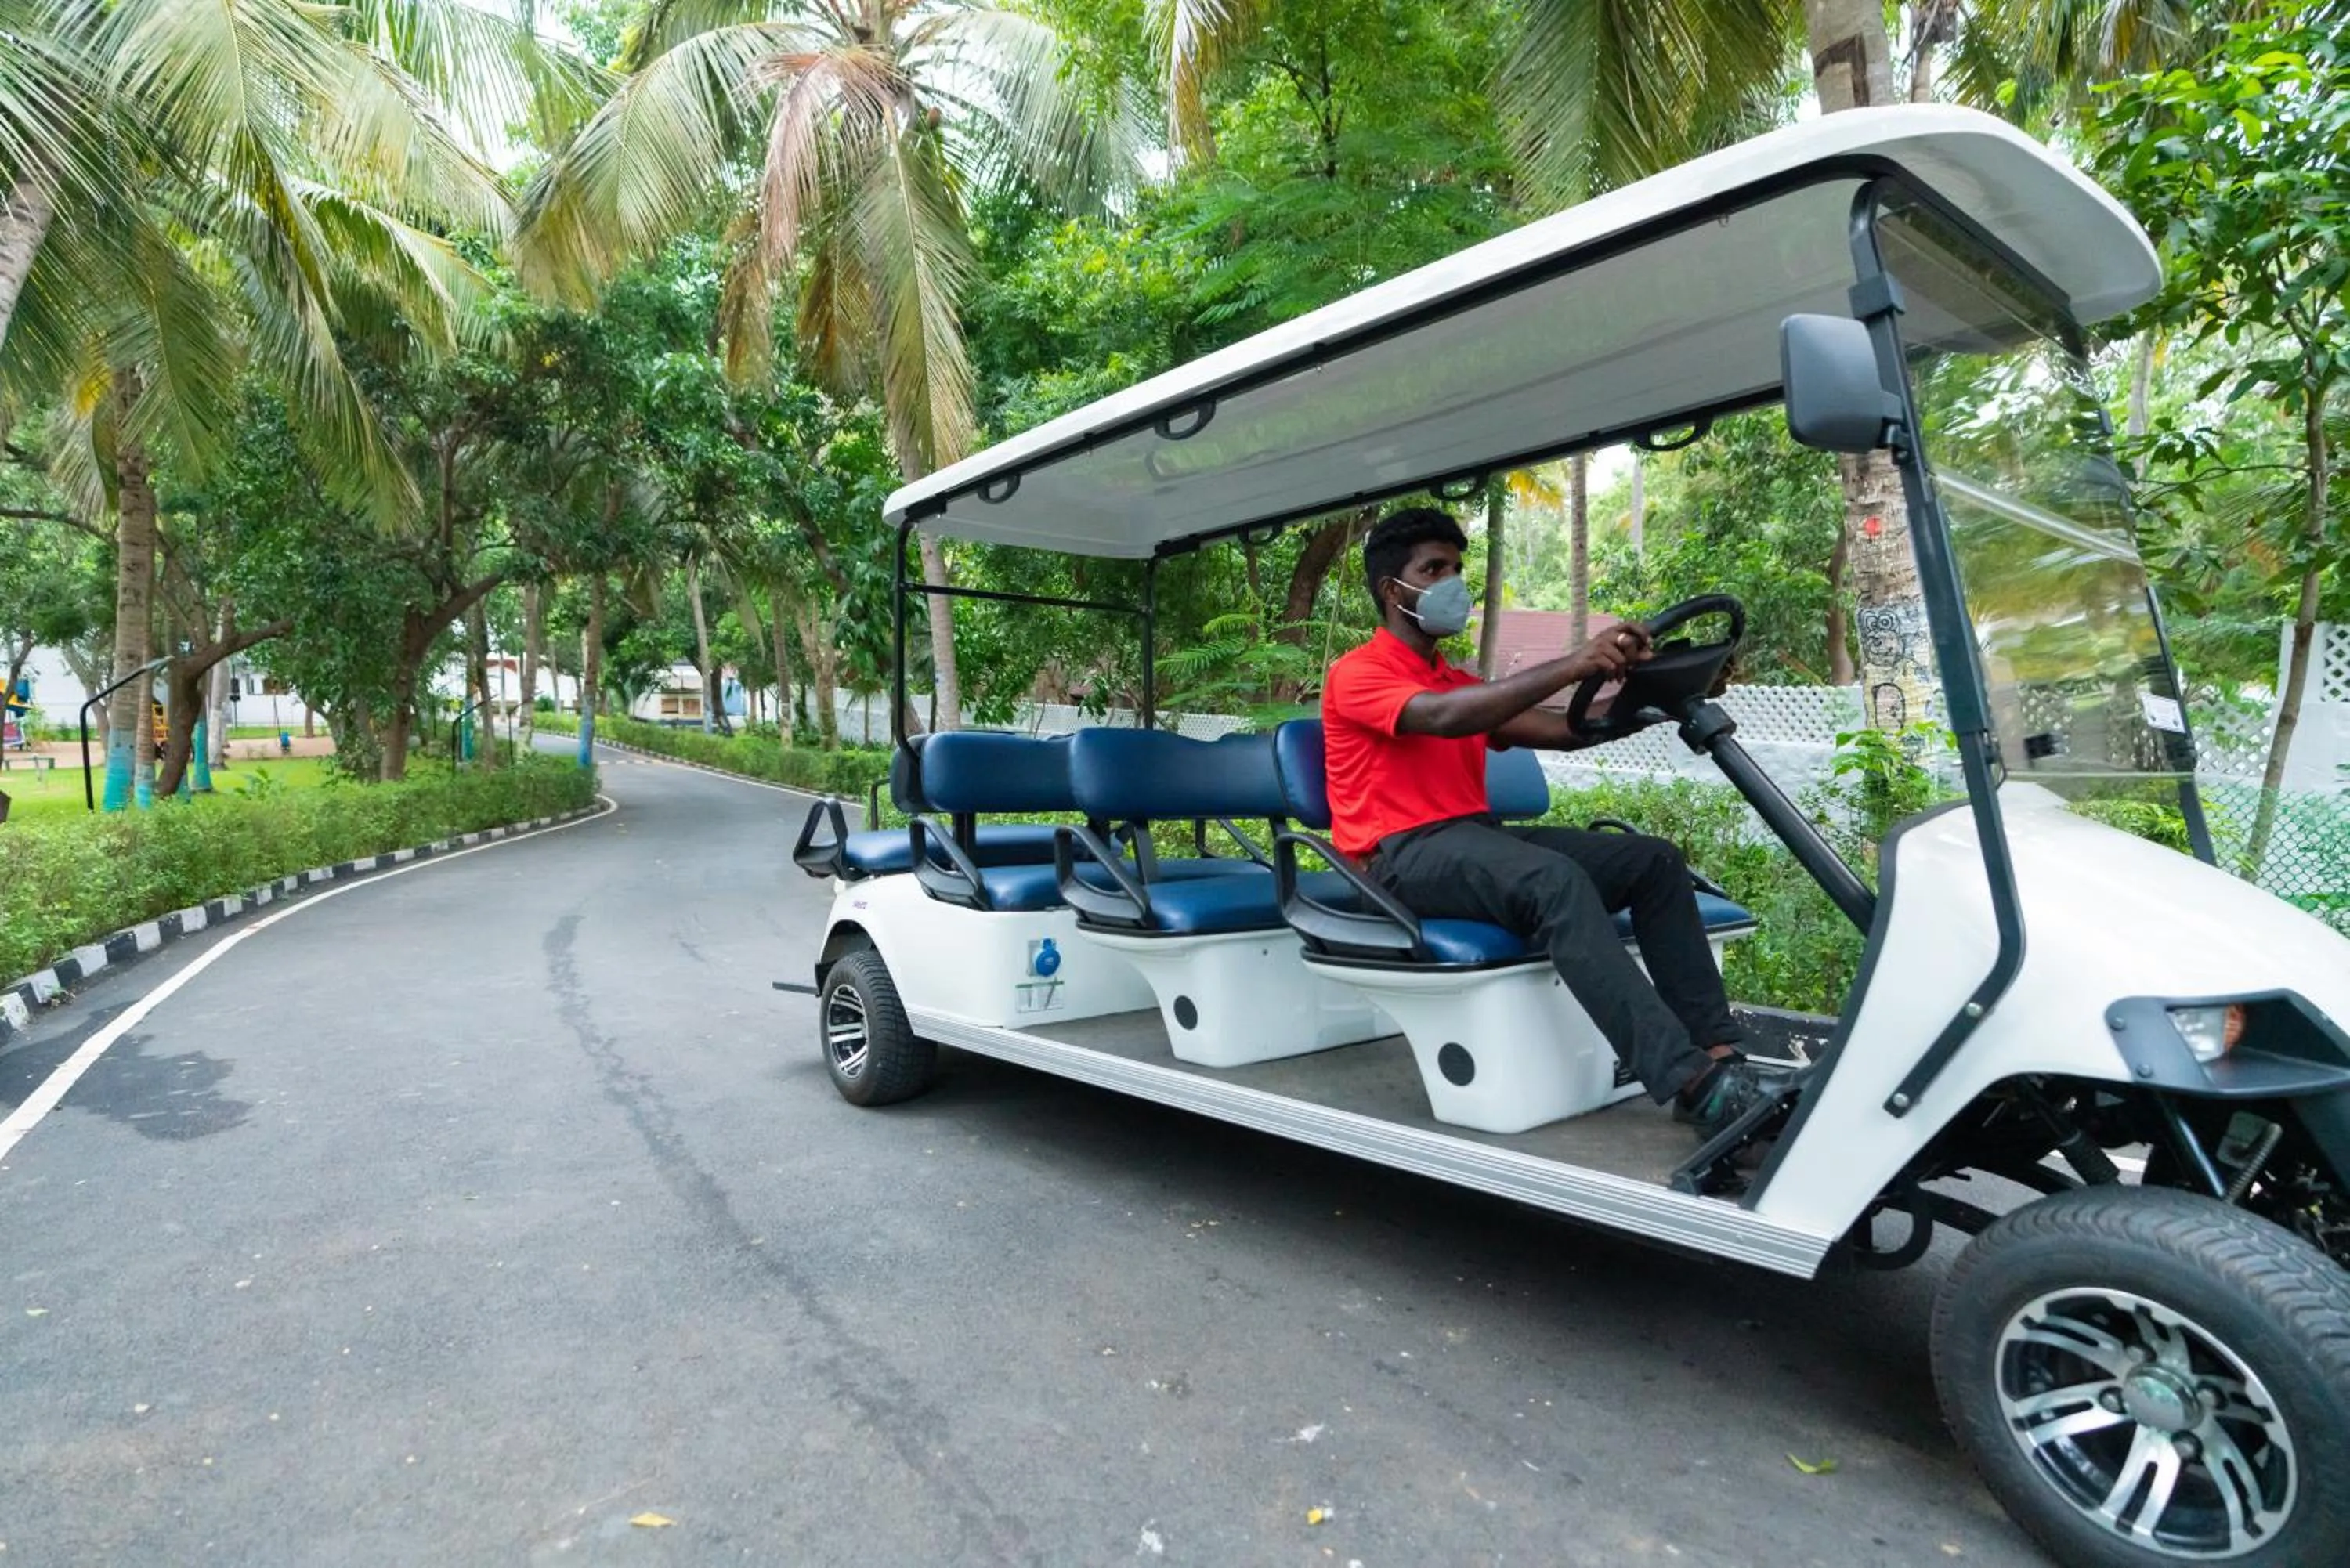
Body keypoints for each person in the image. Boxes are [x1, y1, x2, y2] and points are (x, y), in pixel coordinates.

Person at [1321, 504, 1772, 1140]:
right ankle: (1692, 1083)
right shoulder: (1358, 674)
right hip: (1396, 861)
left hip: (1472, 839)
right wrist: (1574, 663)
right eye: (1434, 568)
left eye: (1456, 567)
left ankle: (1721, 1058)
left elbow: (1565, 730)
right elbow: (1446, 718)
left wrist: (1659, 689)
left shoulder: (1454, 679)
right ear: (1393, 590)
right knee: (1552, 880)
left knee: (1653, 861)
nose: (1453, 581)